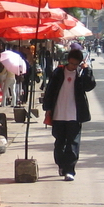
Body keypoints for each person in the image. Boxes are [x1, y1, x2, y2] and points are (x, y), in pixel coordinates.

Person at [41, 48, 96, 180]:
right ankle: (61, 165)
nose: (73, 66)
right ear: (67, 61)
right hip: (58, 114)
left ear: (80, 63)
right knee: (59, 142)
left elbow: (89, 86)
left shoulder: (81, 74)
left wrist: (87, 70)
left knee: (73, 143)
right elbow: (50, 90)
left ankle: (70, 169)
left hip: (75, 115)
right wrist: (48, 108)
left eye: (76, 64)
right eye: (71, 63)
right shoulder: (58, 72)